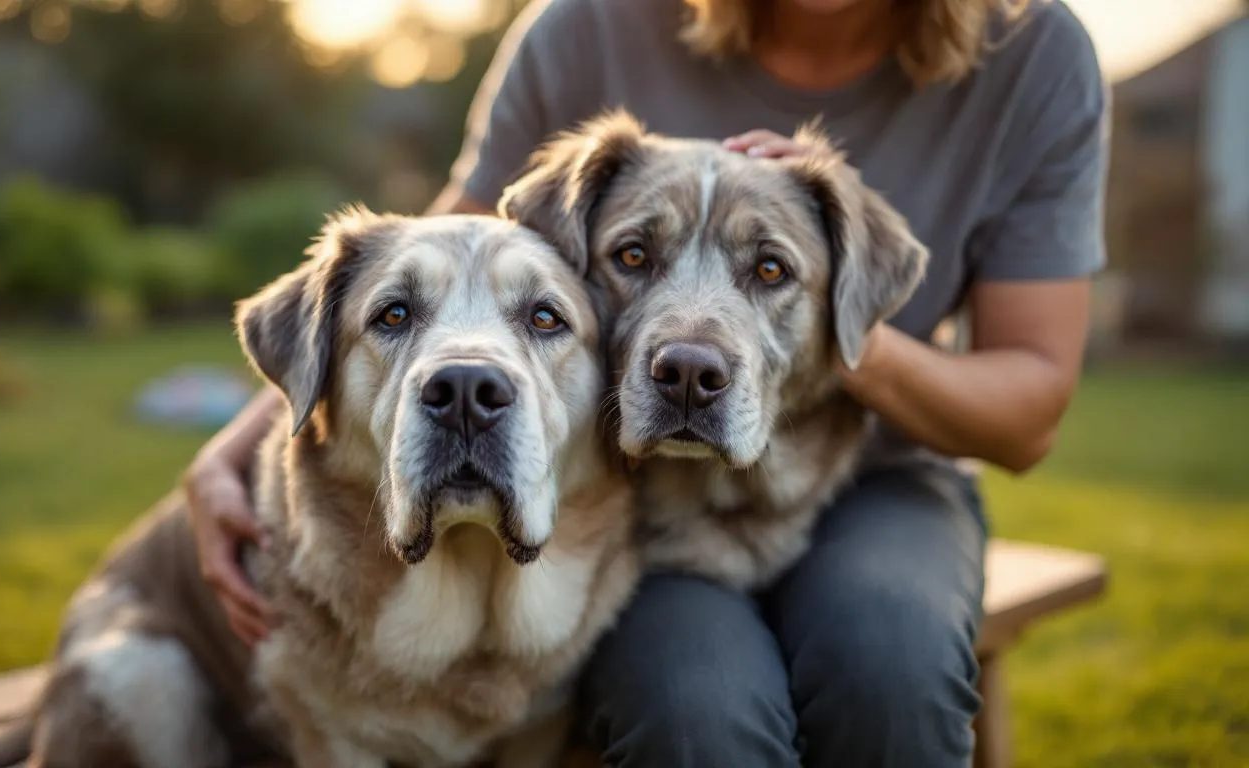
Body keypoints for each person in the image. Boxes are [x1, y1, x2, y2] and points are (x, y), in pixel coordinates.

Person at [184, 0, 1108, 764]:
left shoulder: (1034, 54)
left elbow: (1029, 410)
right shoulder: (589, 25)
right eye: (631, 255)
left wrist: (845, 319)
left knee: (891, 671)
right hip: (634, 505)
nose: (690, 350)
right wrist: (237, 442)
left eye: (768, 271)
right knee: (693, 710)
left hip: (881, 474)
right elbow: (434, 265)